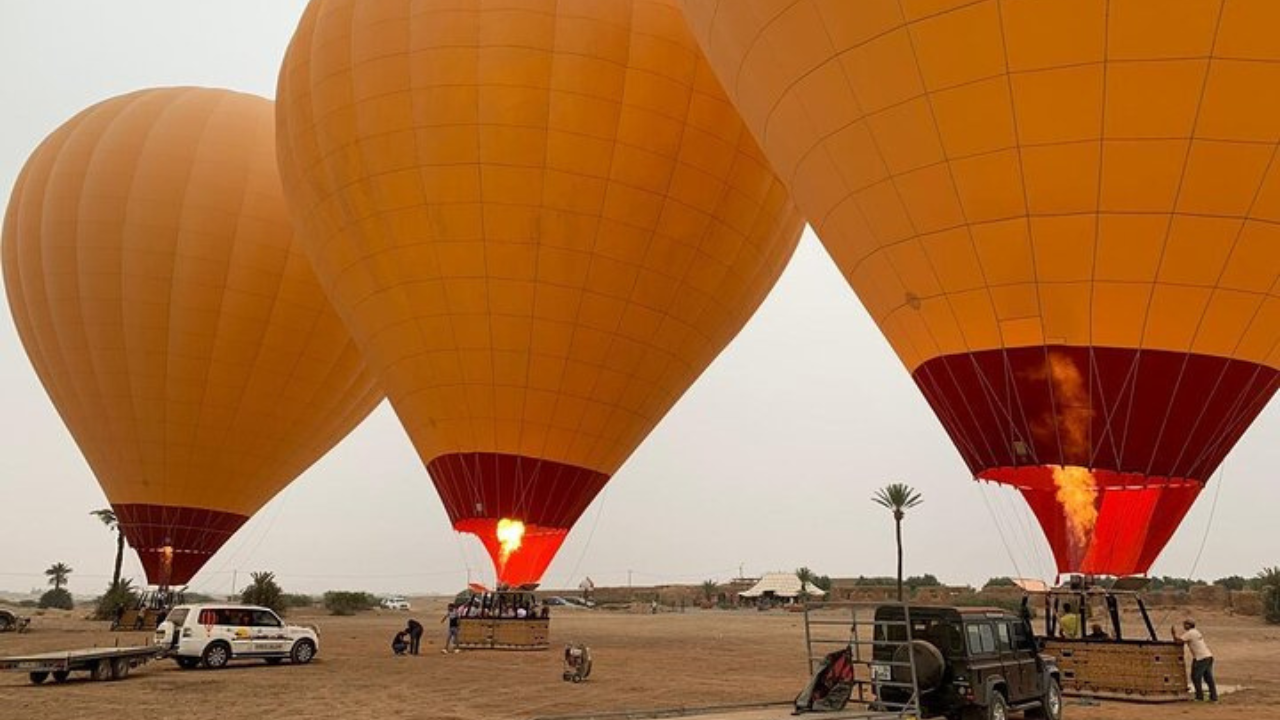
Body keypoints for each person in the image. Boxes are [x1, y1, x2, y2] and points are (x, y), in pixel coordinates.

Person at [1173, 619, 1217, 701]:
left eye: (1185, 624)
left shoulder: (1190, 633)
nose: (1184, 626)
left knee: (1196, 677)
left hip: (1201, 658)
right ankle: (1214, 697)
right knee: (1208, 678)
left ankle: (1199, 697)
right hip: (1208, 656)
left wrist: (1174, 634)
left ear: (1189, 625)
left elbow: (1179, 642)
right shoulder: (1196, 632)